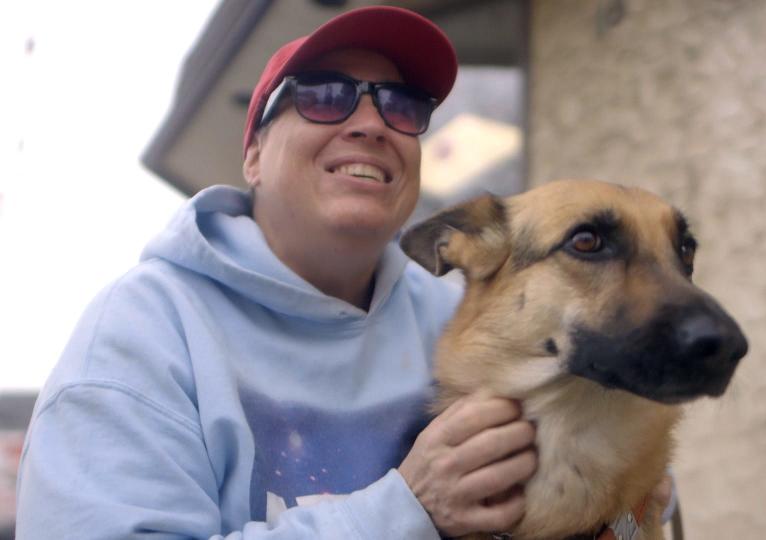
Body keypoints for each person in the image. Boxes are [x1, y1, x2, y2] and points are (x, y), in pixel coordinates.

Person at [16, 6, 671, 539]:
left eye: (403, 106)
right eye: (326, 96)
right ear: (253, 154)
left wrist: (627, 504)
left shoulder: (458, 319)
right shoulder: (140, 336)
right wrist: (403, 511)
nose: (371, 124)